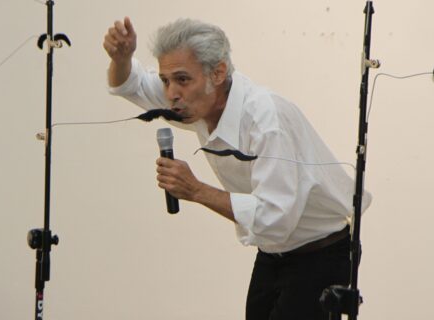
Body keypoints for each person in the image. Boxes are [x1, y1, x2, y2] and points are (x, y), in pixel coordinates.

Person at [103, 17, 371, 320]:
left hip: (321, 252)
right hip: (273, 253)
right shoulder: (192, 102)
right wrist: (121, 58)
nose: (171, 93)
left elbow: (274, 217)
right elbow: (130, 84)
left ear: (218, 73)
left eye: (182, 80)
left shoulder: (265, 120)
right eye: (165, 81)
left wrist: (196, 190)